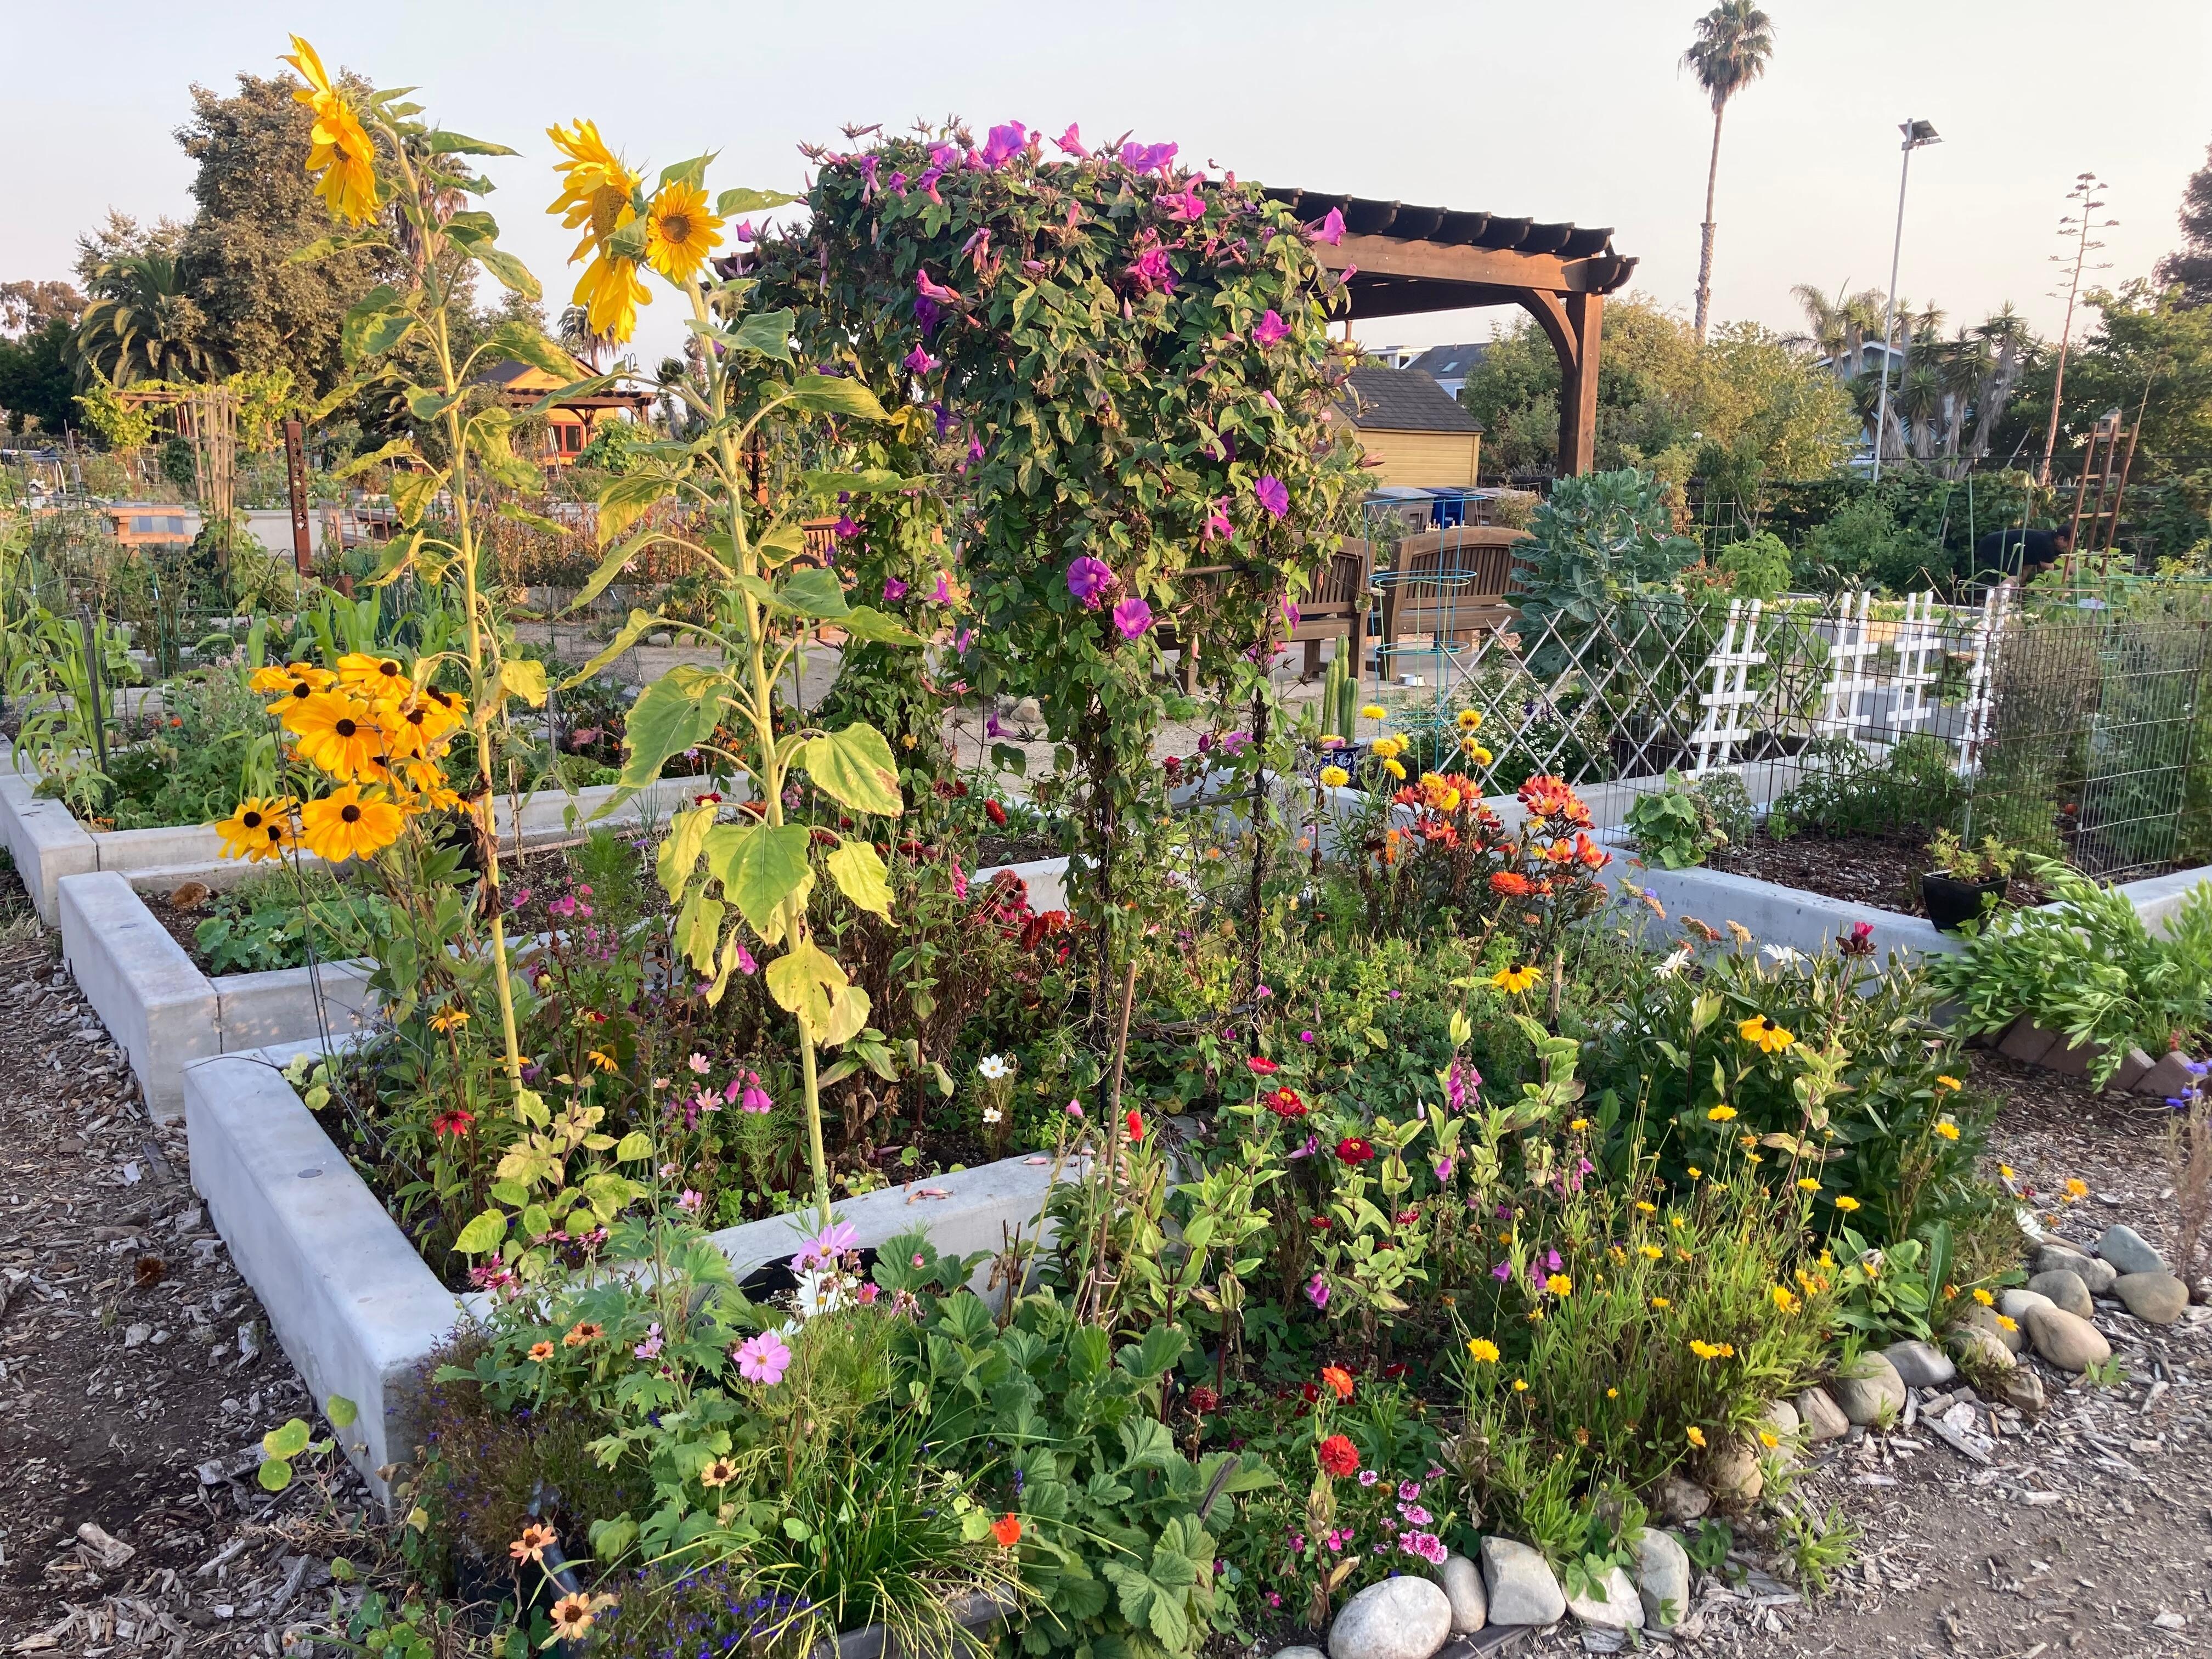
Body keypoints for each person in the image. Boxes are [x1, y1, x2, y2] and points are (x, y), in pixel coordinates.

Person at [1974, 523, 2074, 578]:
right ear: (2061, 539)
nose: (2067, 548)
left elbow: (2027, 566)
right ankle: (1996, 602)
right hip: (1993, 546)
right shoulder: (2047, 544)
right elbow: (2050, 572)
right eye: (2068, 545)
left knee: (2018, 575)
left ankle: (2010, 600)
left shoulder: (2047, 540)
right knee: (2014, 575)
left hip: (1994, 544)